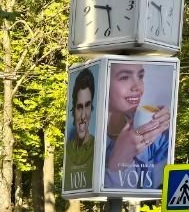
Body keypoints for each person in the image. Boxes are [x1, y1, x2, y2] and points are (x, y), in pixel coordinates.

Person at [104, 61, 171, 192]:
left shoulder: (157, 136)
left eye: (140, 76)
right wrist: (118, 160)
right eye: (124, 77)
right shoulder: (88, 138)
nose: (137, 87)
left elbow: (157, 188)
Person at [63, 67, 96, 192]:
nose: (83, 116)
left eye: (87, 106)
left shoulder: (97, 148)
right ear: (73, 111)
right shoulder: (69, 150)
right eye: (79, 107)